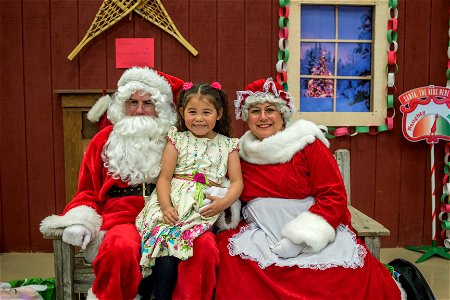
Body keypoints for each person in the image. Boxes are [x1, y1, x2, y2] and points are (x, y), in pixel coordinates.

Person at [214, 78, 405, 299]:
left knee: (335, 280)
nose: (263, 117)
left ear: (282, 115)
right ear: (247, 117)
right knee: (236, 271)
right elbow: (231, 188)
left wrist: (300, 239)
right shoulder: (239, 152)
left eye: (270, 110)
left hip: (311, 230)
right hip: (261, 232)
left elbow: (333, 195)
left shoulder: (306, 144)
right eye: (255, 111)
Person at [39, 67, 218, 300]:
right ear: (122, 104)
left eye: (148, 103)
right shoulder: (103, 141)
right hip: (122, 219)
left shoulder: (179, 141)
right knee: (120, 248)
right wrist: (79, 221)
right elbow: (87, 191)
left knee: (203, 247)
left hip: (174, 216)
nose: (139, 110)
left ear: (161, 108)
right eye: (133, 102)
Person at [136, 82, 244, 299]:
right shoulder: (177, 140)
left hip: (199, 208)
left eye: (207, 112)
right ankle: (150, 292)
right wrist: (165, 206)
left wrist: (223, 203)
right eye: (192, 112)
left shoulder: (228, 145)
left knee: (176, 243)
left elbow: (237, 182)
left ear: (219, 114)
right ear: (182, 112)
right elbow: (164, 178)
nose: (199, 118)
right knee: (163, 242)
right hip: (173, 202)